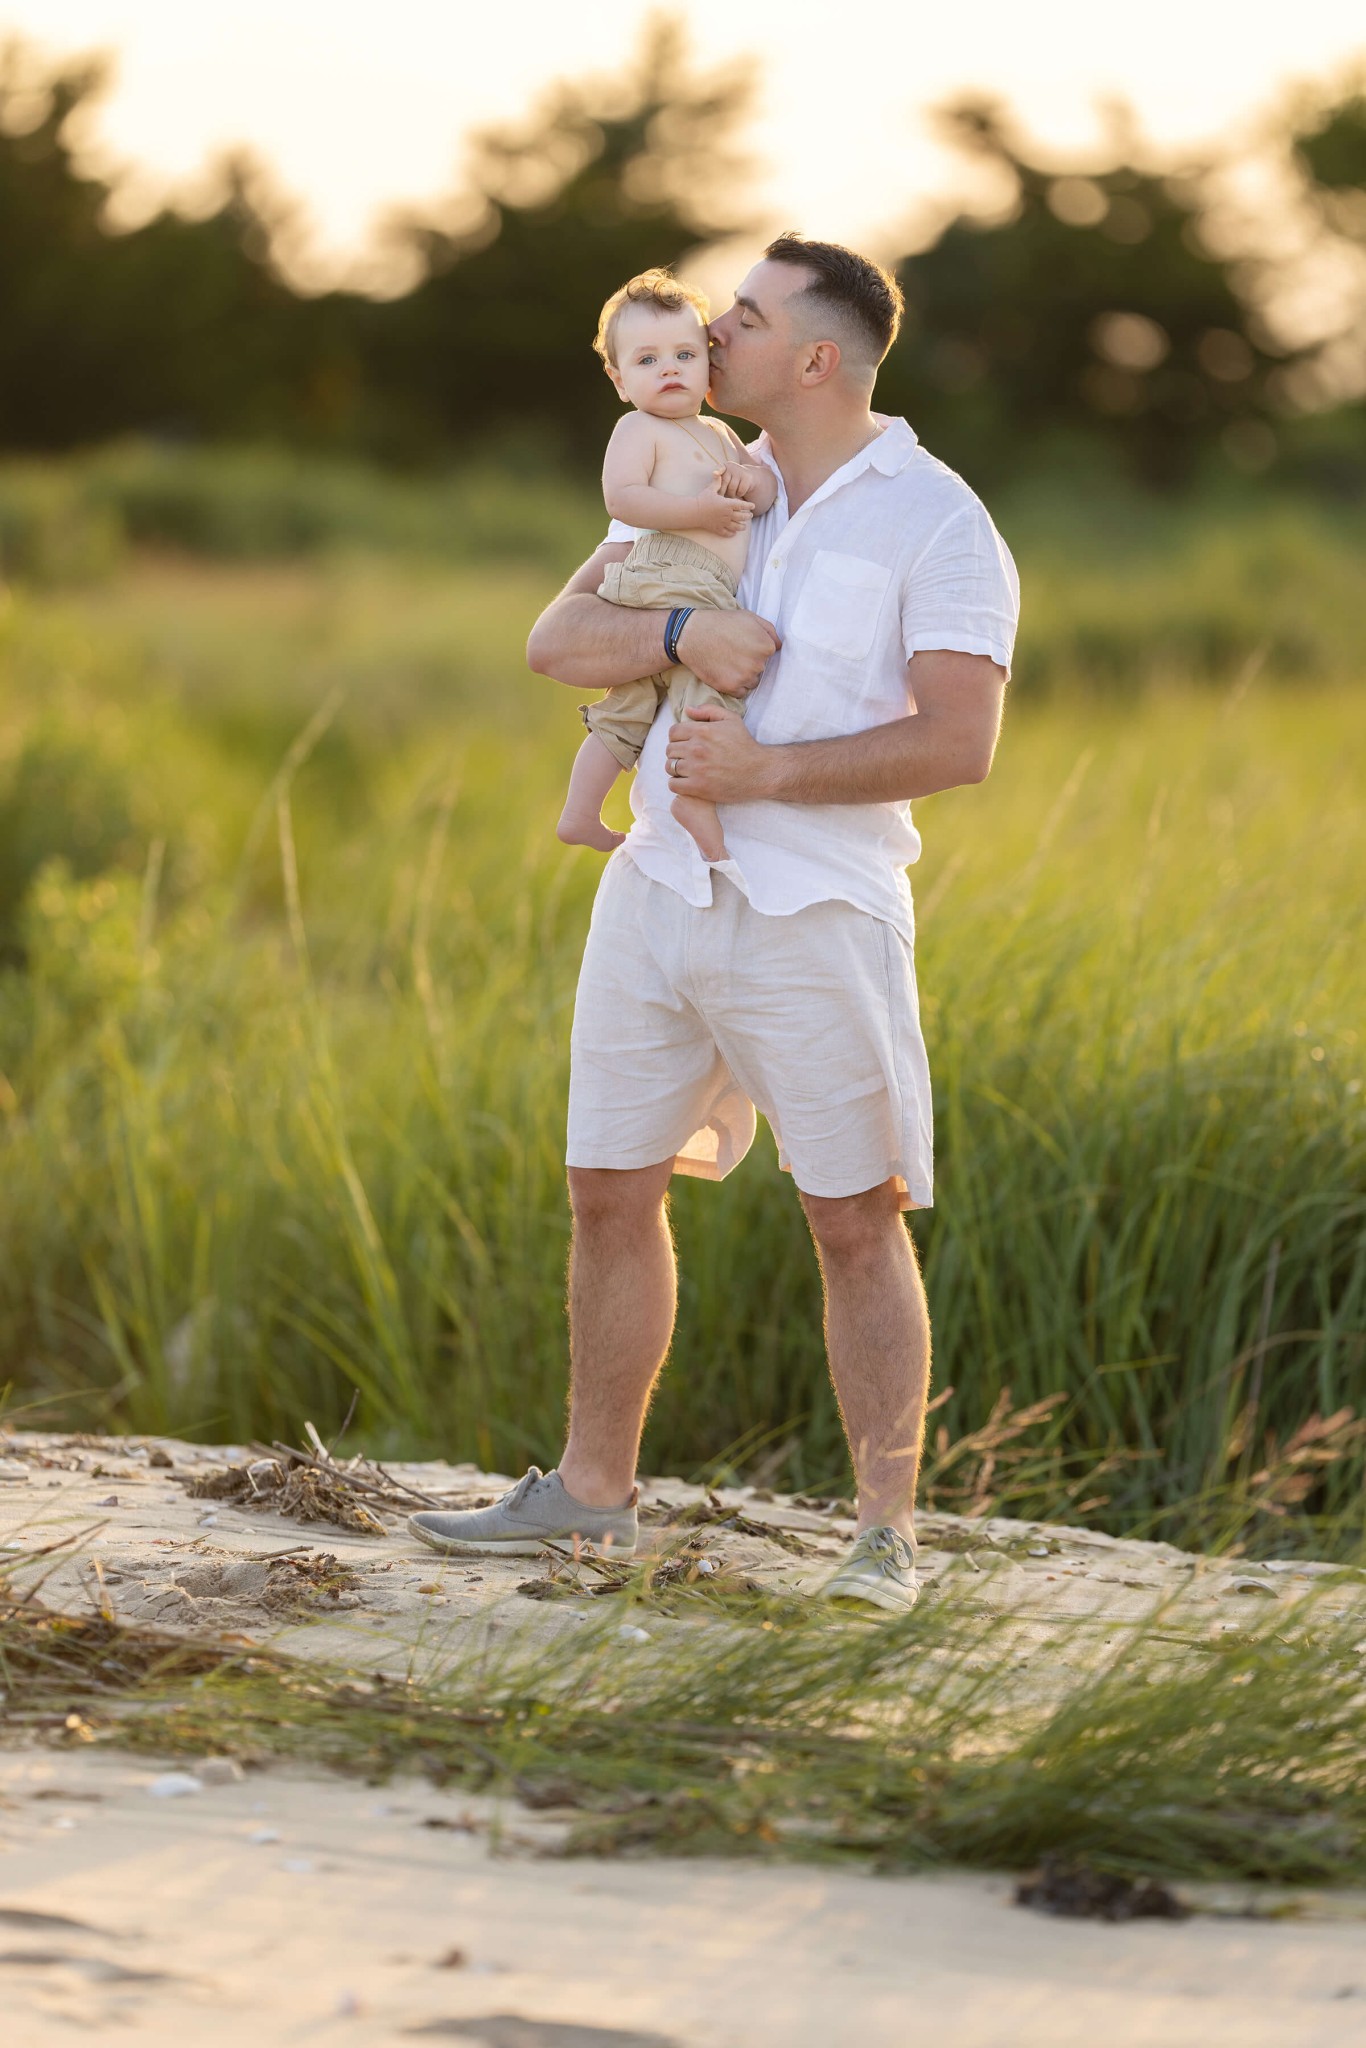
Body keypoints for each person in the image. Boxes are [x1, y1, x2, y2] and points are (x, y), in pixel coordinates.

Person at [410, 234, 1019, 1614]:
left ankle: (882, 1537)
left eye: (744, 315)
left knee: (853, 1218)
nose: (716, 329)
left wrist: (769, 774)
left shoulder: (935, 519)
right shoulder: (685, 478)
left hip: (817, 911)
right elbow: (556, 643)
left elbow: (960, 740)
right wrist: (680, 644)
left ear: (813, 357)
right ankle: (590, 1497)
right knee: (607, 1188)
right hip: (658, 893)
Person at [558, 267, 779, 862]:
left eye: (685, 353)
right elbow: (623, 499)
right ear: (619, 380)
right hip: (666, 570)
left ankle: (584, 813)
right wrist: (698, 512)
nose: (671, 369)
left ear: (709, 363)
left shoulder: (720, 434)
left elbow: (764, 493)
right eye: (648, 360)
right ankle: (690, 800)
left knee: (633, 704)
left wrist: (749, 481)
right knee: (713, 691)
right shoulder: (639, 428)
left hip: (703, 583)